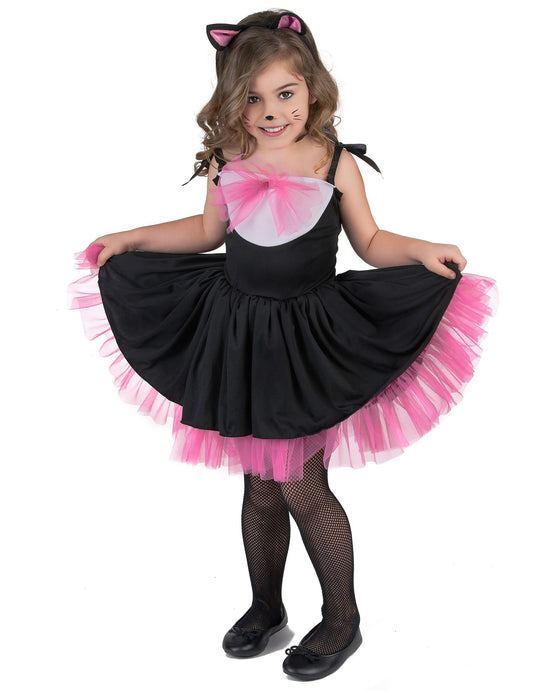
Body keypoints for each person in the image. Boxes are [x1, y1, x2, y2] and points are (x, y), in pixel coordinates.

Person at [67, 9, 497, 682]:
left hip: (304, 342)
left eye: (285, 93)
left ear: (311, 87)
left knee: (302, 484)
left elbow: (370, 241)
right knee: (261, 486)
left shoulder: (334, 163)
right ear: (231, 101)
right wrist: (132, 238)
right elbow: (206, 233)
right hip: (237, 336)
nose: (271, 112)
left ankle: (342, 618)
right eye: (252, 98)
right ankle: (266, 606)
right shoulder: (228, 159)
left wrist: (420, 249)